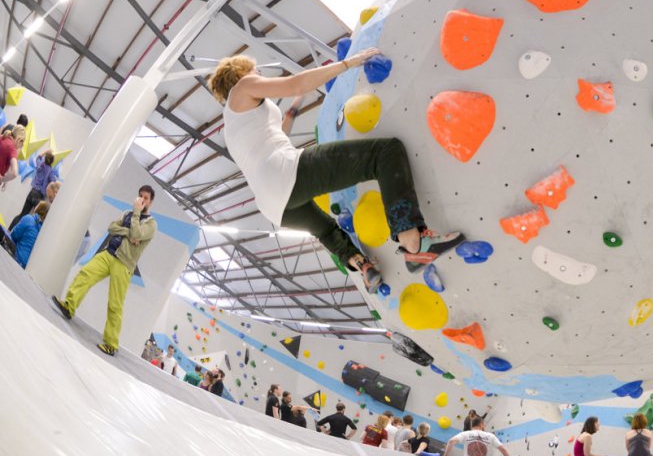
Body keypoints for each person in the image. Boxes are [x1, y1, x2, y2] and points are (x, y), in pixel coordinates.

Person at [208, 52, 464, 293]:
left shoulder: (231, 124)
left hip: (274, 206)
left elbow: (275, 134)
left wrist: (294, 109)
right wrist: (348, 63)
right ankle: (413, 241)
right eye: (253, 69)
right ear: (241, 73)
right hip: (285, 174)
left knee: (326, 231)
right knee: (385, 152)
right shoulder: (243, 87)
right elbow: (295, 84)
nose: (258, 71)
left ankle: (363, 266)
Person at [51, 185, 158, 356]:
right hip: (108, 253)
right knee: (85, 274)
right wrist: (128, 232)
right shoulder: (126, 213)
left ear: (151, 202)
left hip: (124, 264)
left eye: (145, 198)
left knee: (115, 304)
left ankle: (111, 344)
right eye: (140, 196)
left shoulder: (151, 224)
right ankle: (69, 306)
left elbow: (137, 233)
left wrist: (136, 215)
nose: (141, 200)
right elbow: (111, 228)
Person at [11, 149, 58, 228]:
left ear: (45, 158)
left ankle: (9, 230)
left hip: (32, 192)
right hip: (38, 196)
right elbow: (53, 182)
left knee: (22, 214)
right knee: (36, 220)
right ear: (52, 162)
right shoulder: (50, 171)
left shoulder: (40, 164)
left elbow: (38, 158)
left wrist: (45, 152)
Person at [442, 417, 514, 456]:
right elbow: (502, 449)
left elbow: (451, 441)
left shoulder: (466, 434)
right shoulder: (490, 436)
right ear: (481, 424)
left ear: (472, 425)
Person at [10, 200, 48, 268]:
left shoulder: (28, 219)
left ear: (39, 208)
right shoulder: (45, 232)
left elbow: (14, 236)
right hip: (27, 267)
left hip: (17, 259)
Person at [0, 125, 25, 189]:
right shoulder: (12, 149)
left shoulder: (1, 137)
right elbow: (14, 172)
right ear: (19, 140)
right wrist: (2, 179)